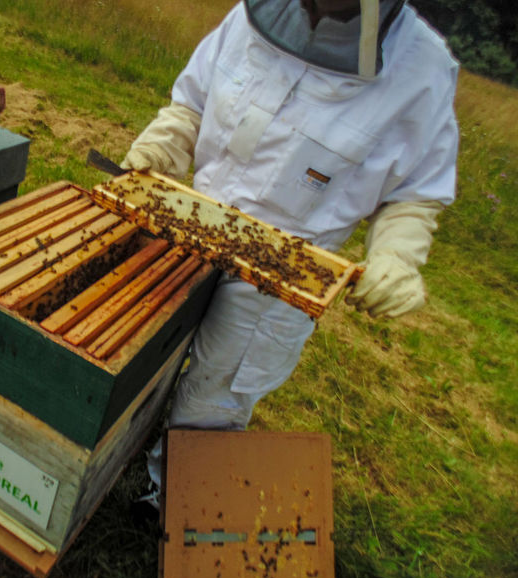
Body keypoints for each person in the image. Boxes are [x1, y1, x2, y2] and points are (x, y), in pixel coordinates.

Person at [121, 0, 459, 506]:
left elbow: (415, 192)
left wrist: (398, 255)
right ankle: (119, 447)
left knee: (217, 387)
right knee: (146, 345)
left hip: (284, 269)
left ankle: (170, 497)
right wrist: (166, 143)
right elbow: (193, 102)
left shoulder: (424, 68)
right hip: (194, 221)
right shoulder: (253, 15)